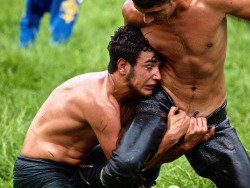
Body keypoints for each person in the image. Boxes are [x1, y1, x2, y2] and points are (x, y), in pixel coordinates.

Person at [100, 0, 250, 187]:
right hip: (160, 102)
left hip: (210, 116)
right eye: (142, 12)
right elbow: (133, 61)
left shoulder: (215, 3)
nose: (146, 19)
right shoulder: (132, 12)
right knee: (121, 168)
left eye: (155, 12)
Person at [13, 25, 181, 188]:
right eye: (149, 67)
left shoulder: (133, 93)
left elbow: (133, 157)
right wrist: (170, 140)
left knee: (143, 142)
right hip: (39, 173)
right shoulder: (100, 102)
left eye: (159, 66)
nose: (157, 75)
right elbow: (121, 170)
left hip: (81, 167)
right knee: (131, 159)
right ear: (123, 66)